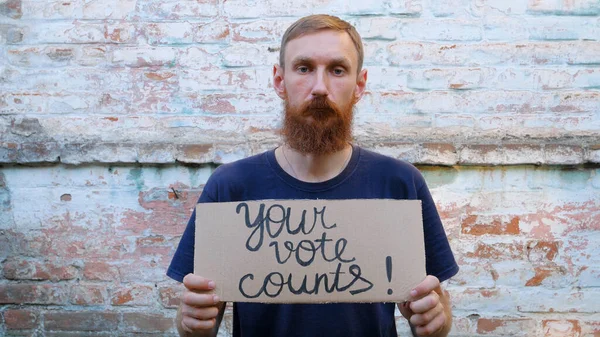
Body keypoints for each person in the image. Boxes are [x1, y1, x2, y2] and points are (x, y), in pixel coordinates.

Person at [166, 14, 459, 337]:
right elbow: (196, 320)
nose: (320, 87)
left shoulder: (401, 183)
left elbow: (436, 316)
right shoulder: (230, 186)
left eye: (337, 70)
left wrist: (438, 319)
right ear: (280, 80)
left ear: (359, 84)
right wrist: (190, 321)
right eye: (304, 68)